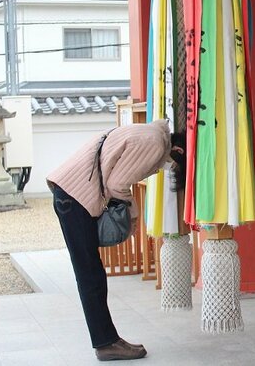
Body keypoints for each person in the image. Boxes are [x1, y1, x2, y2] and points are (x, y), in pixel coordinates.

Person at [46, 119, 185, 362]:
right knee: (90, 275)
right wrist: (133, 217)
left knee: (92, 274)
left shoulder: (149, 134)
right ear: (179, 151)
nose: (170, 168)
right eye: (177, 165)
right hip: (74, 198)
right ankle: (105, 343)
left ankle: (108, 339)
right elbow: (117, 184)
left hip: (69, 194)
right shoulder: (154, 143)